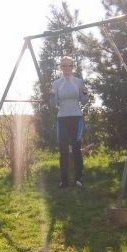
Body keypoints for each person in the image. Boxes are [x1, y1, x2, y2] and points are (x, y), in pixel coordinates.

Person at [50, 56, 87, 188]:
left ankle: (78, 179)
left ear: (73, 67)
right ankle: (64, 180)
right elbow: (53, 104)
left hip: (76, 118)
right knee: (63, 150)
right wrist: (52, 96)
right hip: (62, 118)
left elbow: (84, 101)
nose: (66, 68)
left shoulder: (79, 82)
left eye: (69, 65)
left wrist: (85, 93)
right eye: (64, 66)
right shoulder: (56, 83)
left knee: (76, 149)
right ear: (61, 67)